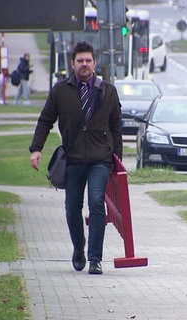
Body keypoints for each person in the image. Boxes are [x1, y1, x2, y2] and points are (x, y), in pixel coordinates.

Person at [29, 41, 123, 275]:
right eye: (80, 61)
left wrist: (117, 162)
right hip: (73, 159)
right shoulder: (60, 90)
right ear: (72, 64)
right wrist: (36, 148)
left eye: (88, 60)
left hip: (100, 159)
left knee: (96, 204)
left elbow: (116, 128)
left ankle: (95, 259)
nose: (84, 64)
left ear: (94, 63)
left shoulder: (107, 90)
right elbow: (45, 120)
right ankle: (78, 248)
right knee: (72, 209)